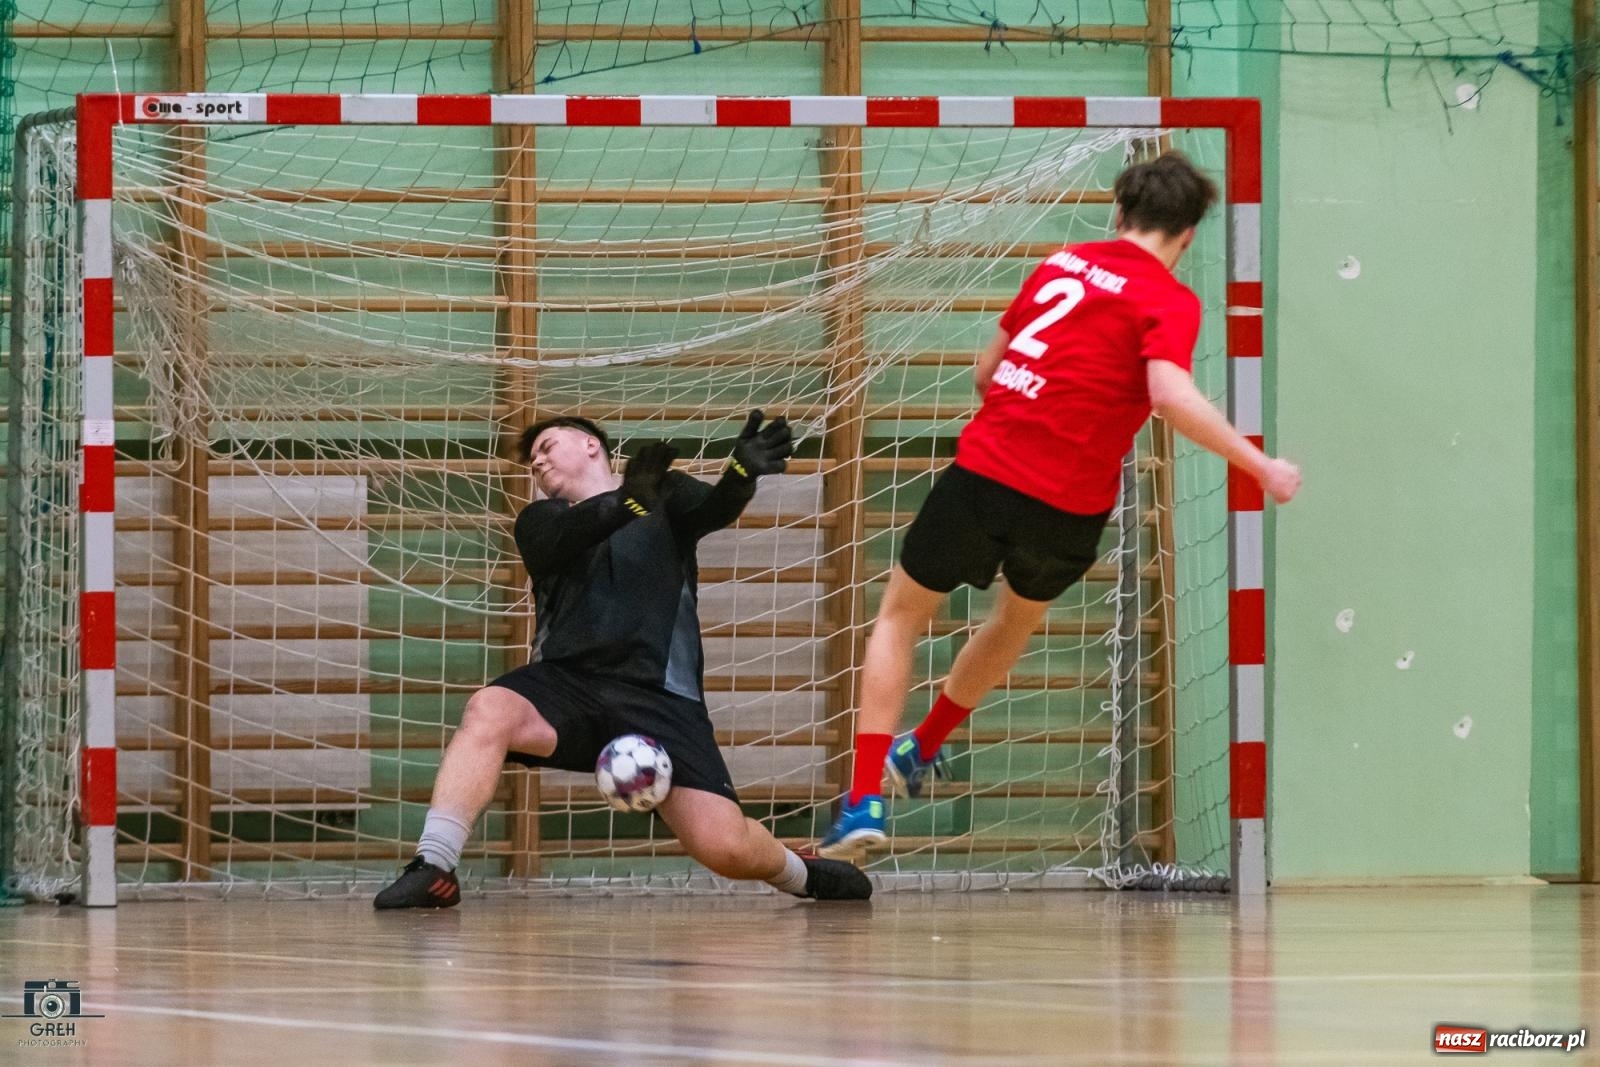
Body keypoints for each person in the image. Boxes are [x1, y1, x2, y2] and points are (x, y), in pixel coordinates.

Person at [818, 151, 1301, 859]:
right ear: (1188, 235)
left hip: (988, 472)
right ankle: (922, 747)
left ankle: (862, 800)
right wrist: (1258, 463)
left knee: (900, 615)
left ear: (1118, 212)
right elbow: (1167, 394)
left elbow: (987, 372)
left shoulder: (1059, 265)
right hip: (1071, 505)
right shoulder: (1170, 299)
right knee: (1014, 620)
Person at [376, 410, 872, 906]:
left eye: (547, 445)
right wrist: (628, 502)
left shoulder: (668, 495)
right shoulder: (541, 519)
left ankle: (802, 873)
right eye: (532, 458)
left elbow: (715, 509)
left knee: (726, 849)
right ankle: (435, 866)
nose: (536, 460)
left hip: (662, 700)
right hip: (569, 687)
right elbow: (561, 543)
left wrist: (741, 474)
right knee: (489, 708)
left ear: (592, 445)